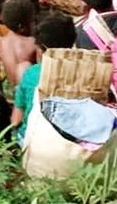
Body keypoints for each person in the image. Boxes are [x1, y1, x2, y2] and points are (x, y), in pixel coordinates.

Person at [11, 12, 76, 146]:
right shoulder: (80, 71)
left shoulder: (31, 74)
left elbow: (16, 120)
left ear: (41, 49)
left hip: (34, 141)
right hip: (69, 141)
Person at [0, 0, 36, 87]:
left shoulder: (0, 42)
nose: (34, 24)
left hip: (8, 91)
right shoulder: (32, 43)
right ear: (21, 27)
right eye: (32, 20)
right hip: (25, 91)